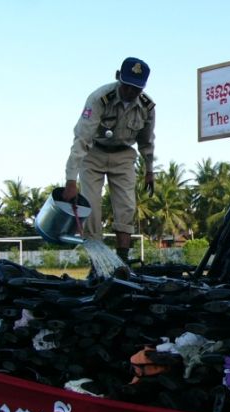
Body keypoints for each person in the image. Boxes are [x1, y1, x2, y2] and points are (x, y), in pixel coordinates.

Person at [63, 57, 155, 263]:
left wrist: (149, 170)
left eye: (136, 89)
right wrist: (70, 180)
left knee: (127, 206)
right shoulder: (99, 99)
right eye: (128, 86)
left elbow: (147, 141)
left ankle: (122, 261)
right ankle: (97, 263)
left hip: (123, 155)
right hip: (94, 153)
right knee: (91, 209)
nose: (131, 92)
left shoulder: (147, 107)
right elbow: (81, 139)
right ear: (118, 78)